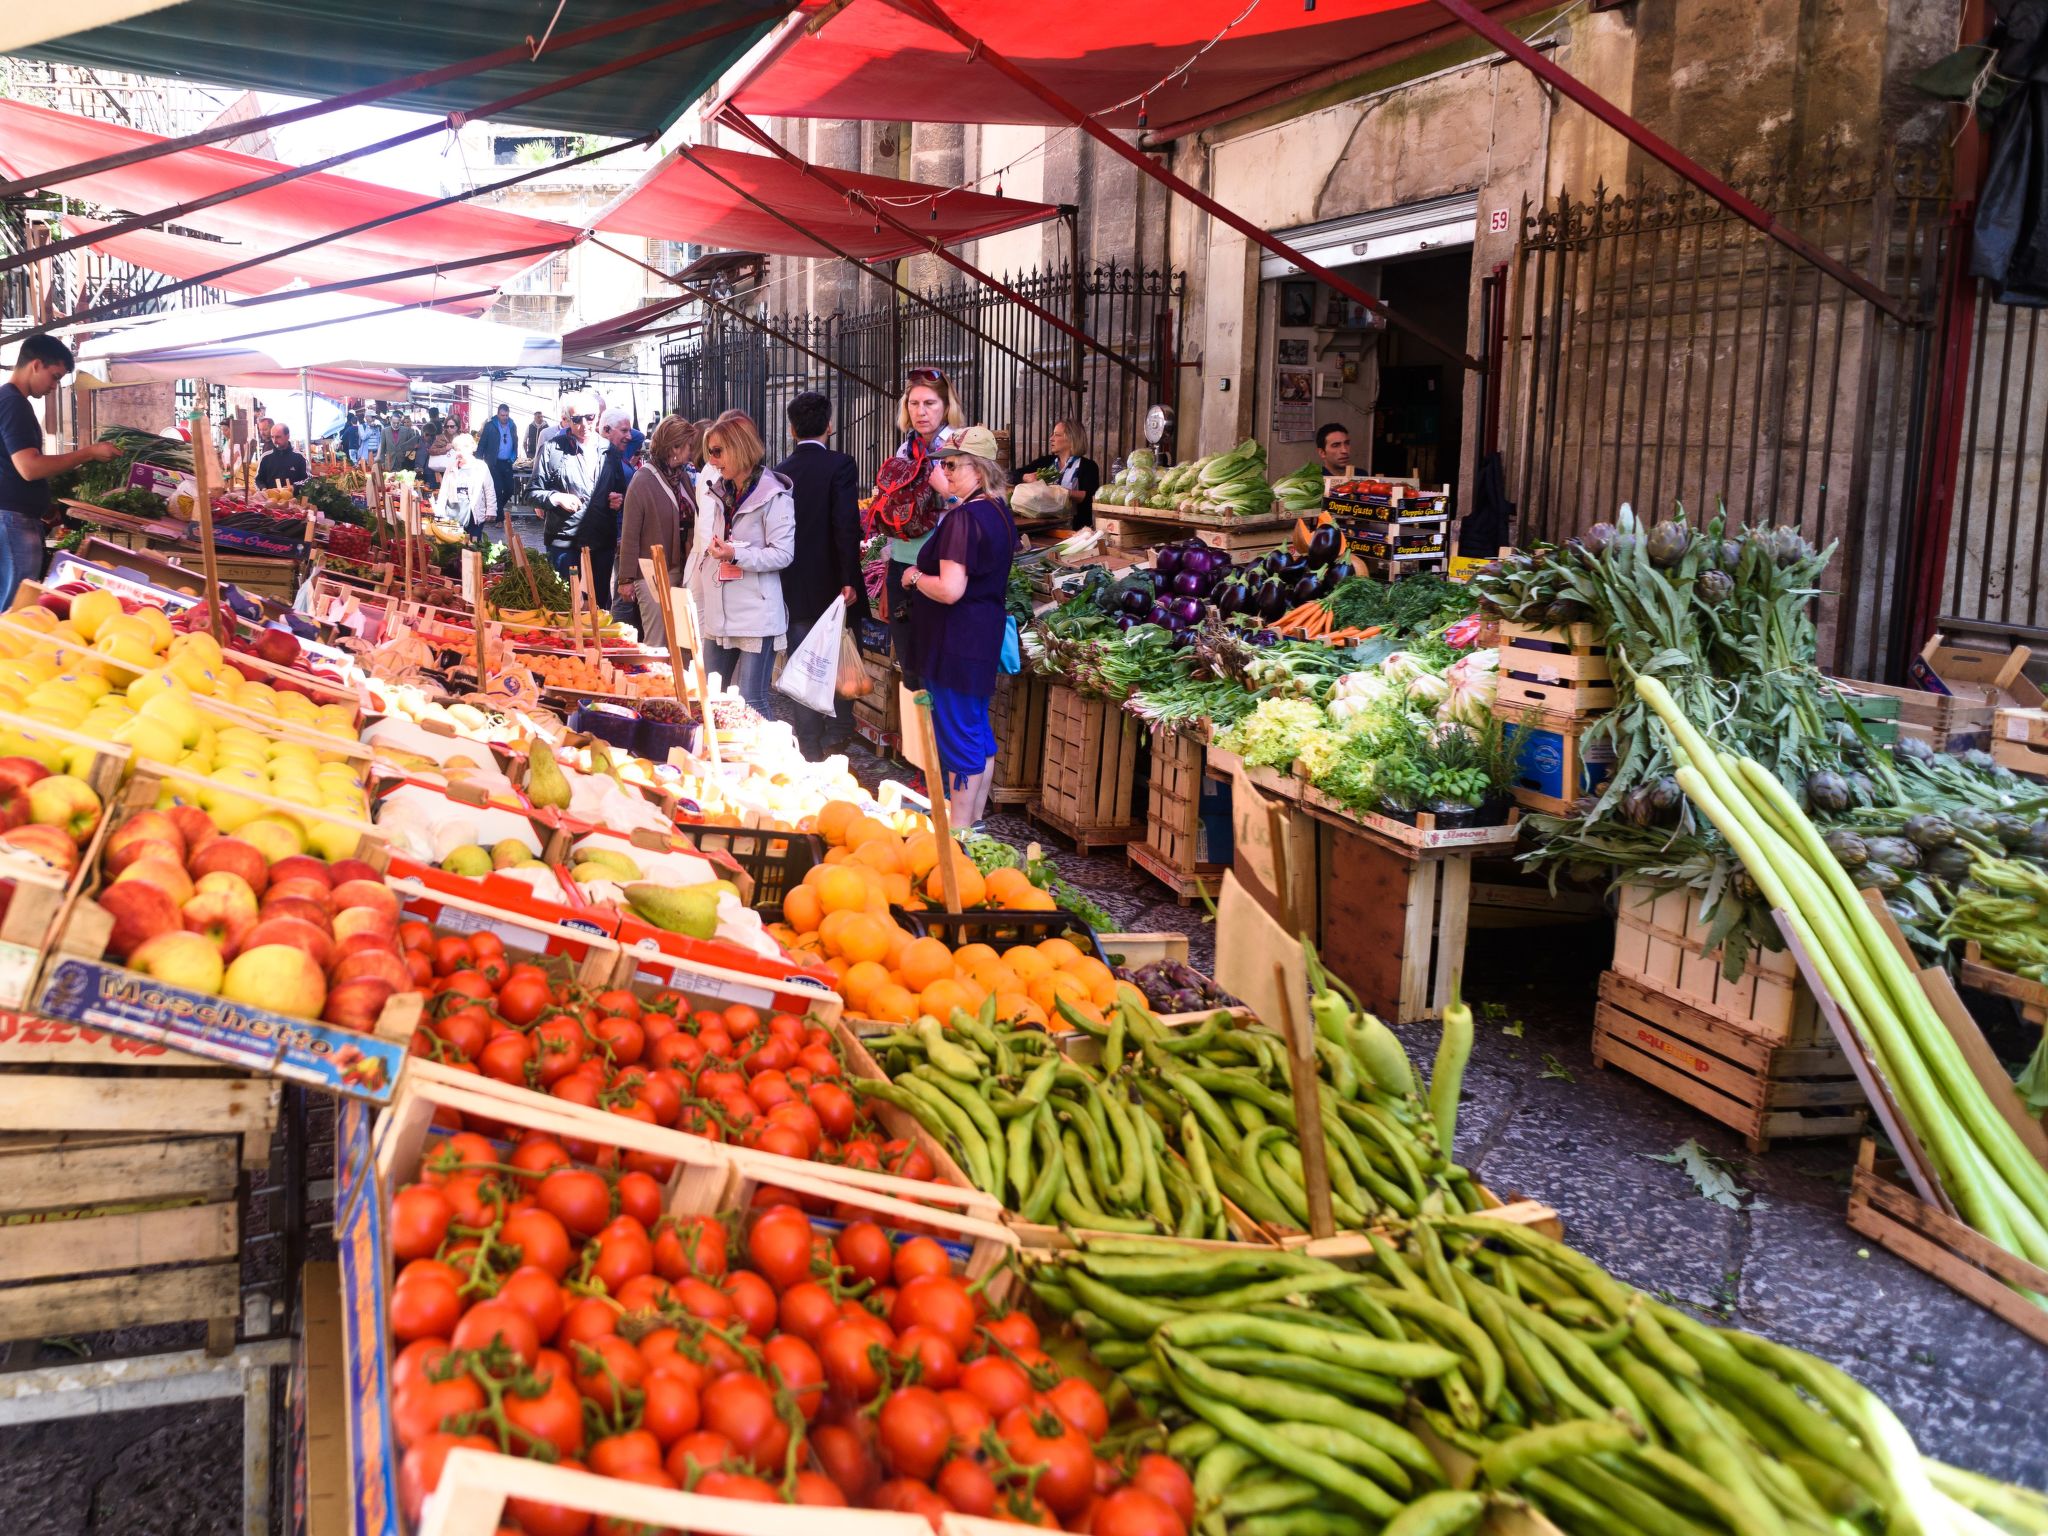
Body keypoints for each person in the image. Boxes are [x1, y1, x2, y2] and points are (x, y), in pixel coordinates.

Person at [903, 423, 1015, 829]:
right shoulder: (999, 511)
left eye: (953, 465)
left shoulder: (964, 519)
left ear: (980, 469)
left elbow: (950, 589)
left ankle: (960, 834)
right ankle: (975, 825)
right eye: (945, 464)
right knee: (976, 731)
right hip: (979, 638)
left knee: (959, 737)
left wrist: (914, 577)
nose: (945, 472)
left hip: (954, 643)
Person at [686, 410, 794, 723]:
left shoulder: (775, 495)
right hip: (721, 611)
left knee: (752, 703)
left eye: (717, 451)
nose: (713, 460)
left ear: (738, 447)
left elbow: (783, 554)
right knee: (710, 696)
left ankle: (769, 766)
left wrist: (735, 554)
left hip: (757, 613)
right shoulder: (722, 490)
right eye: (709, 453)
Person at [775, 391, 864, 760]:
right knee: (837, 657)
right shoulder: (840, 465)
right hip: (832, 584)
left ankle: (808, 743)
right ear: (830, 426)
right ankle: (837, 735)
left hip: (793, 585)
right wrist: (848, 578)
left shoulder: (780, 472)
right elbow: (846, 525)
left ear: (792, 429)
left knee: (802, 664)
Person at [0, 334, 118, 604]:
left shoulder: (11, 402)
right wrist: (89, 453)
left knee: (14, 603)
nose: (55, 386)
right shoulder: (13, 404)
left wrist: (46, 505)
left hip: (16, 518)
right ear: (36, 364)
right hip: (12, 522)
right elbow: (29, 467)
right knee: (15, 607)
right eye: (54, 376)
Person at [881, 367, 964, 687]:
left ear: (946, 406)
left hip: (940, 565)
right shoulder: (906, 450)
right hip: (901, 564)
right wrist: (887, 569)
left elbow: (978, 506)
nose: (921, 411)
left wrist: (947, 490)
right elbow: (895, 518)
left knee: (936, 669)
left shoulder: (959, 447)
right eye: (914, 404)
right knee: (911, 669)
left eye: (929, 403)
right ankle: (917, 736)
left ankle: (936, 736)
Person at [616, 414, 697, 647]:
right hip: (652, 573)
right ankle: (654, 680)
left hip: (683, 567)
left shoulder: (681, 477)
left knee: (682, 640)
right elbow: (630, 534)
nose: (691, 451)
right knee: (658, 640)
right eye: (688, 445)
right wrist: (626, 579)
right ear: (674, 447)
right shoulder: (643, 480)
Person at [533, 396, 607, 579]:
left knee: (598, 604)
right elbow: (532, 492)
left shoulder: (608, 450)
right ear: (566, 420)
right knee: (566, 602)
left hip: (600, 540)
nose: (584, 424)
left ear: (597, 416)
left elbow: (619, 490)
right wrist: (556, 498)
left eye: (589, 417)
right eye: (576, 419)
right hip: (564, 540)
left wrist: (616, 499)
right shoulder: (552, 449)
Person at [579, 407, 635, 604]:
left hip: (614, 535)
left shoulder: (618, 455)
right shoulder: (595, 455)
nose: (630, 436)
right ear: (607, 430)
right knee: (596, 595)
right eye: (625, 430)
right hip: (599, 536)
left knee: (604, 595)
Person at [1017, 418, 1101, 527]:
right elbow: (1012, 475)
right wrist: (1025, 477)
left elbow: (1091, 496)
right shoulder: (1045, 462)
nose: (1051, 439)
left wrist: (1061, 492)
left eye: (1057, 435)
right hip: (1044, 527)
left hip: (1075, 529)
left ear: (1072, 439)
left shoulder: (1088, 466)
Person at [433, 433, 498, 544]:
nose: (458, 453)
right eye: (456, 449)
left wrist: (491, 509)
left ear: (470, 449)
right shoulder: (451, 467)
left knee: (474, 544)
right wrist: (439, 511)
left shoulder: (481, 466)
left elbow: (489, 489)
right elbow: (444, 491)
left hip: (474, 512)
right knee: (455, 545)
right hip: (454, 513)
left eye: (461, 449)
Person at [478, 403, 519, 511]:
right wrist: (478, 460)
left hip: (507, 462)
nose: (505, 418)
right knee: (497, 489)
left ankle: (497, 509)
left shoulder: (512, 425)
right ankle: (499, 517)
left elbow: (515, 441)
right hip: (494, 462)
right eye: (502, 415)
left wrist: (514, 455)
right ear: (498, 414)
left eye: (506, 415)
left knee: (510, 489)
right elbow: (482, 444)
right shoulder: (490, 425)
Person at [256, 424, 309, 488]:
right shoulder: (265, 457)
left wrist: (294, 487)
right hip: (271, 497)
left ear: (287, 436)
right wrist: (263, 488)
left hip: (294, 497)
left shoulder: (299, 457)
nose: (274, 441)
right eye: (272, 437)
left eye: (278, 437)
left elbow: (307, 480)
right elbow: (258, 480)